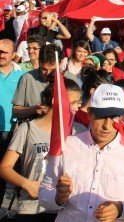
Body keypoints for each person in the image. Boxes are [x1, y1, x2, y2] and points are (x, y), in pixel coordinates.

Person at [38, 84, 124, 221]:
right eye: (101, 116)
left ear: (123, 118)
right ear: (89, 114)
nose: (107, 125)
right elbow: (43, 194)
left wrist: (121, 209)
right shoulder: (66, 147)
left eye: (114, 118)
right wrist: (57, 197)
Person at [0, 80, 81, 221]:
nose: (77, 108)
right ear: (57, 101)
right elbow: (4, 168)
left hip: (67, 210)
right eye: (73, 103)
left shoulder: (79, 131)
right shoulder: (27, 129)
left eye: (78, 102)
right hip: (32, 209)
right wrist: (27, 184)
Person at [13, 45, 77, 120]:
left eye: (53, 70)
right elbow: (15, 111)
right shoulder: (27, 78)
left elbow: (77, 107)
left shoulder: (71, 79)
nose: (48, 73)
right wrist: (33, 110)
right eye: (44, 69)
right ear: (39, 61)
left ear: (61, 62)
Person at [0, 38, 26, 202]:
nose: (0, 55)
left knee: (13, 173)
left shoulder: (23, 74)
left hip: (16, 131)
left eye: (4, 52)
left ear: (14, 54)